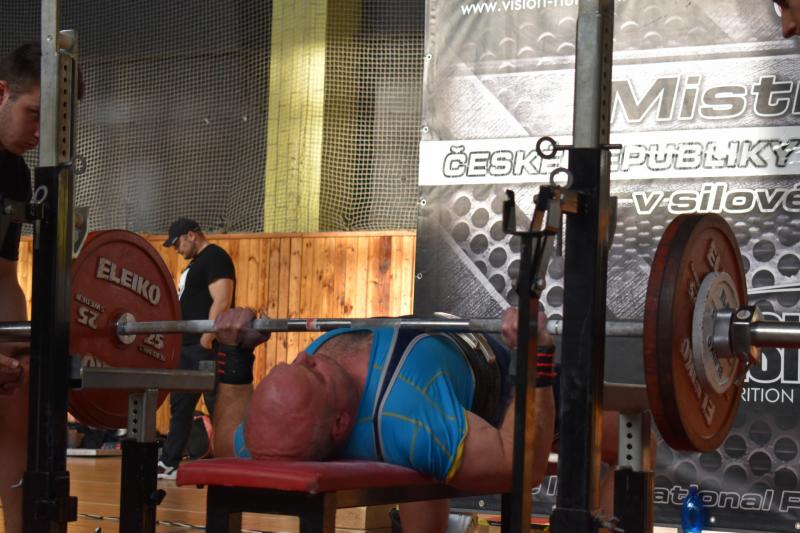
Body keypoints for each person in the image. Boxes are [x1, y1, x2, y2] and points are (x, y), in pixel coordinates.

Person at [210, 306, 556, 533]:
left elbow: (225, 441)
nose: (304, 356)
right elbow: (521, 467)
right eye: (314, 372)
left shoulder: (273, 435)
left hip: (421, 331)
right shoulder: (406, 417)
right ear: (340, 424)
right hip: (493, 363)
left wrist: (234, 353)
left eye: (292, 364)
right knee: (595, 434)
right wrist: (534, 356)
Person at [158, 218, 235, 479]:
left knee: (217, 405)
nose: (176, 249)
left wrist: (208, 337)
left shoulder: (215, 257)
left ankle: (233, 463)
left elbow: (222, 299)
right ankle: (169, 462)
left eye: (177, 243)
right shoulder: (195, 265)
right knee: (180, 405)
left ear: (191, 235)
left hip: (204, 346)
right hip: (187, 346)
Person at [0, 41, 40, 533]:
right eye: (33, 113)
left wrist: (18, 349)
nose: (39, 133)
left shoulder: (15, 173)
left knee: (18, 385)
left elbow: (4, 276)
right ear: (2, 92)